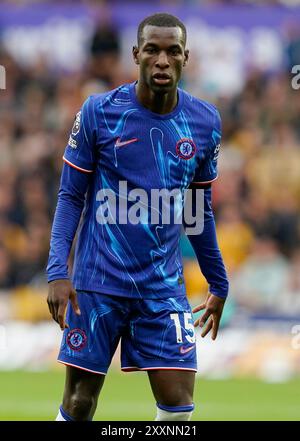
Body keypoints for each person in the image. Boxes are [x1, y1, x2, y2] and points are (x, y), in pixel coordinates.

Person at [46, 13, 229, 422]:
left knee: (179, 406)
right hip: (97, 282)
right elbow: (70, 196)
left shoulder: (205, 122)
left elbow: (198, 211)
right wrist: (58, 271)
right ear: (136, 55)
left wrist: (218, 280)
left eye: (172, 51)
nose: (162, 60)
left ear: (186, 58)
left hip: (161, 288)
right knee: (79, 403)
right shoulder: (98, 112)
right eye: (152, 50)